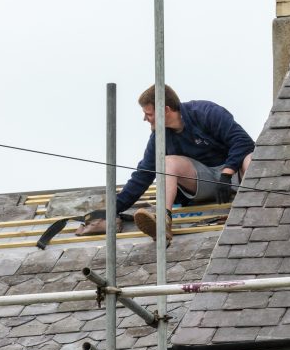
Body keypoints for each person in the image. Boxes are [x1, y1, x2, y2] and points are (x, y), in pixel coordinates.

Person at [77, 85, 254, 244]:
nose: (145, 119)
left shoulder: (205, 112)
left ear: (165, 110)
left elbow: (243, 141)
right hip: (205, 183)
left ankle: (255, 210)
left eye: (149, 114)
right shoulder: (159, 138)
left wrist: (227, 172)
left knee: (253, 158)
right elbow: (143, 175)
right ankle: (163, 221)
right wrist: (110, 210)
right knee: (166, 162)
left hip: (236, 175)